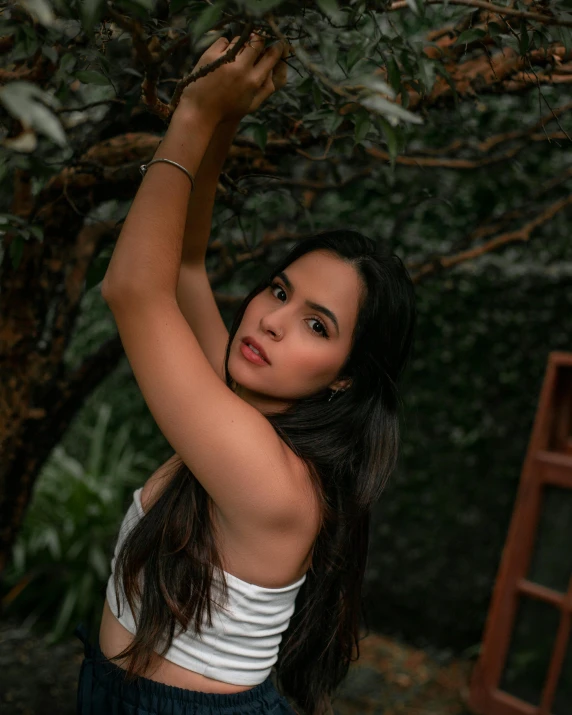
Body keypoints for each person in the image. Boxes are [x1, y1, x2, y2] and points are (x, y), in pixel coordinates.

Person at [74, 29, 416, 715]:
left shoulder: (273, 477)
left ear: (344, 377)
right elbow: (186, 266)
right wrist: (230, 111)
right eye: (280, 291)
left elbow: (133, 289)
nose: (270, 320)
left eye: (317, 325)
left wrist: (196, 112)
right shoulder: (242, 407)